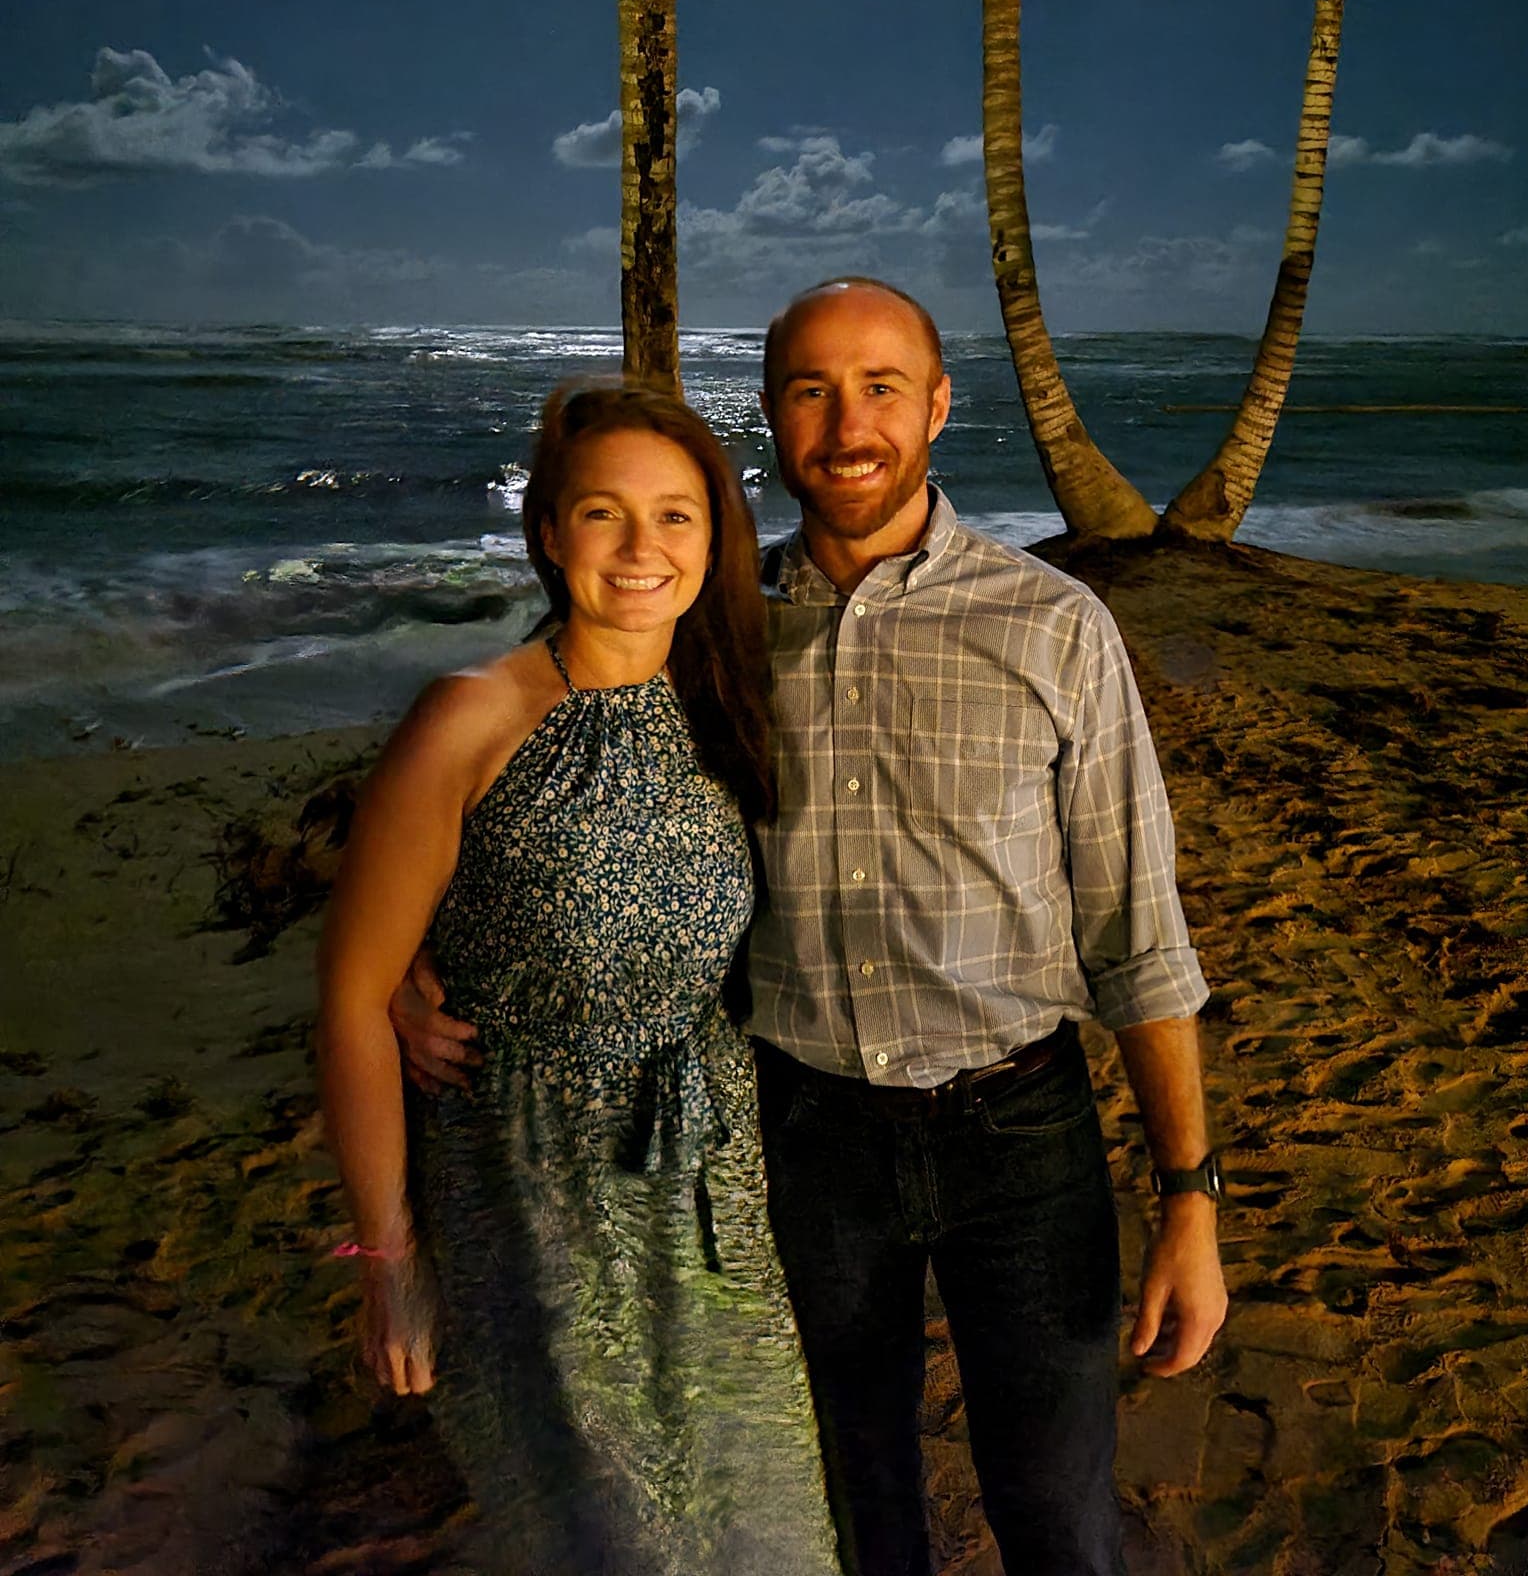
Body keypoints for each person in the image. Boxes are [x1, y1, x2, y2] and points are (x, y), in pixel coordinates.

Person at [396, 281, 1228, 1576]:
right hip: (801, 1136)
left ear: (939, 406)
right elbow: (523, 772)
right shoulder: (708, 626)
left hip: (1021, 1133)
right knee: (854, 1502)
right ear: (774, 415)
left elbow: (1140, 933)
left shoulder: (1057, 626)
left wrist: (1190, 1196)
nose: (849, 425)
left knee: (1059, 1512)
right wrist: (411, 958)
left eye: (882, 387)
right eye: (810, 390)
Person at [317, 380, 839, 1576]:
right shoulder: (470, 716)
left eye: (675, 514)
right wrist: (386, 1260)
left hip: (708, 1184)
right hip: (528, 1187)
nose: (643, 546)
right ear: (550, 532)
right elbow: (349, 994)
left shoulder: (725, 699)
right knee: (602, 1531)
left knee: (762, 1517)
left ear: (715, 535)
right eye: (605, 512)